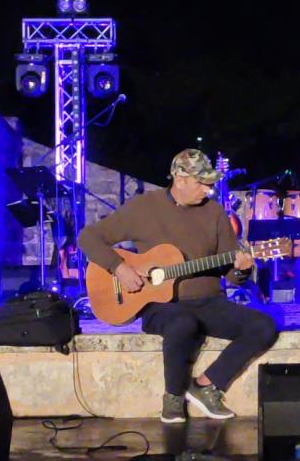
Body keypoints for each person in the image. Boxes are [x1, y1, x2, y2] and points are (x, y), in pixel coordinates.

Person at [79, 149, 277, 423]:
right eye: (202, 183)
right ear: (179, 179)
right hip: (159, 305)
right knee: (181, 323)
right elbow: (89, 238)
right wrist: (119, 268)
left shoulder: (215, 213)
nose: (208, 190)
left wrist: (242, 269)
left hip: (209, 302)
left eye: (210, 183)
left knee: (263, 326)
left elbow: (231, 276)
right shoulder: (144, 208)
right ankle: (173, 397)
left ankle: (206, 385)